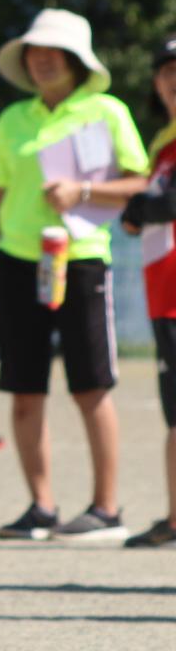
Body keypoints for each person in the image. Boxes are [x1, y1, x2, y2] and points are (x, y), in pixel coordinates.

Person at [0, 9, 149, 542]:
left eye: (52, 52)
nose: (40, 60)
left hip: (82, 258)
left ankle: (106, 508)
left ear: (77, 61)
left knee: (91, 386)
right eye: (32, 52)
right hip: (16, 263)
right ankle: (41, 506)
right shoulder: (12, 120)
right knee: (23, 389)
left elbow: (141, 184)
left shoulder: (106, 112)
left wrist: (83, 193)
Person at [119, 34, 176, 549]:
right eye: (165, 71)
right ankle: (175, 516)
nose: (173, 79)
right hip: (163, 291)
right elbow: (145, 211)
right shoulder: (161, 143)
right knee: (174, 410)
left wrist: (146, 206)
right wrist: (138, 211)